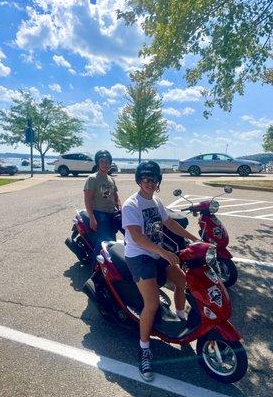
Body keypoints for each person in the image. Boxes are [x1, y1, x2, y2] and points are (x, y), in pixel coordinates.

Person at [122, 161, 198, 382]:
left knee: (183, 282)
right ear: (139, 180)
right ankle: (144, 348)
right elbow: (137, 237)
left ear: (158, 183)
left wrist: (194, 240)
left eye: (154, 179)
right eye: (146, 179)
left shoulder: (156, 201)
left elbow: (170, 224)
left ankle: (181, 316)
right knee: (152, 304)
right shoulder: (131, 205)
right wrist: (163, 253)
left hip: (156, 253)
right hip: (139, 256)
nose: (150, 183)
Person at [84, 150, 121, 259]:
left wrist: (121, 210)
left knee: (113, 242)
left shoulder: (111, 179)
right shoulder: (92, 179)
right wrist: (92, 218)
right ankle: (95, 269)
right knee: (103, 242)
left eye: (107, 162)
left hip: (112, 213)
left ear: (110, 163)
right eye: (102, 161)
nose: (105, 164)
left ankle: (110, 265)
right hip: (100, 214)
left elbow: (115, 197)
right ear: (98, 163)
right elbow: (87, 200)